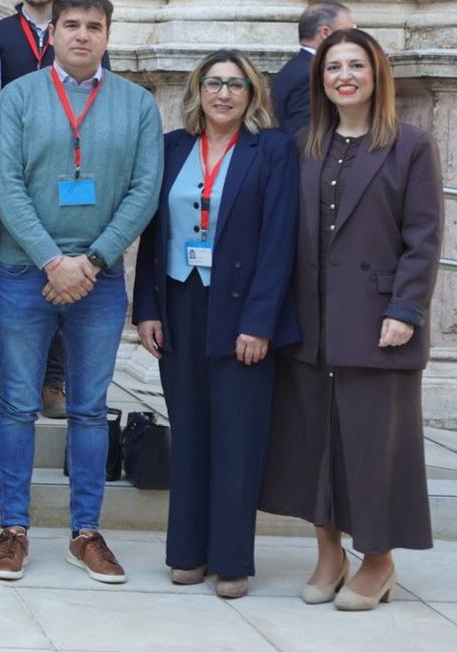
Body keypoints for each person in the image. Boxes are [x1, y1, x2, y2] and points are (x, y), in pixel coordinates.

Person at [0, 0, 162, 585]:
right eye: (72, 25)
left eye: (93, 26)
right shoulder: (18, 97)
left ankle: (86, 533)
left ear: (107, 35)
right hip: (23, 274)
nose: (82, 35)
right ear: (53, 33)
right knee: (17, 405)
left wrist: (91, 260)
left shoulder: (137, 105)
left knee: (88, 409)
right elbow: (5, 184)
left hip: (99, 280)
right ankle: (13, 530)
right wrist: (50, 260)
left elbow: (144, 190)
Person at [259, 28, 441, 611]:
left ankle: (379, 561)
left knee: (372, 444)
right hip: (310, 321)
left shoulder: (411, 145)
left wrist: (406, 309)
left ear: (376, 74)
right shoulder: (304, 143)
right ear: (321, 79)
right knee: (314, 440)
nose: (344, 76)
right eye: (334, 66)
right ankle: (329, 553)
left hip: (379, 321)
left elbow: (424, 236)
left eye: (356, 65)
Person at [132, 50, 298, 598]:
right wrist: (147, 308)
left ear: (252, 94)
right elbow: (153, 234)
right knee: (189, 430)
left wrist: (260, 322)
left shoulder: (272, 150)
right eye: (213, 82)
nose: (223, 93)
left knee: (236, 436)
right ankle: (186, 552)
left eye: (235, 84)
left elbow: (279, 241)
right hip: (179, 302)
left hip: (242, 311)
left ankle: (230, 560)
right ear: (197, 90)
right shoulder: (172, 147)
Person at [0, 0, 101, 419]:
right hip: (10, 177)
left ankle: (54, 381)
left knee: (64, 272)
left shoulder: (80, 32)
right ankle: (3, 375)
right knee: (8, 279)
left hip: (68, 177)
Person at [269, 0, 353, 138]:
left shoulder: (299, 66)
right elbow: (303, 132)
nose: (353, 39)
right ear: (325, 32)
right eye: (349, 31)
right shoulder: (311, 74)